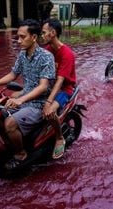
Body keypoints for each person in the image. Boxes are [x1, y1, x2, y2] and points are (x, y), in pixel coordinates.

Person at [0, 19, 55, 169]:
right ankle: (12, 144)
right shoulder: (22, 54)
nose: (18, 41)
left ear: (34, 37)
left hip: (39, 103)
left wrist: (21, 99)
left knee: (9, 124)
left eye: (22, 37)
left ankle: (21, 153)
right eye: (18, 37)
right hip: (23, 98)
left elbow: (43, 86)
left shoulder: (46, 57)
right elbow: (12, 75)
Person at [41, 18, 76, 159]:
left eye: (44, 33)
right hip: (50, 86)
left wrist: (49, 102)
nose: (42, 36)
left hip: (64, 89)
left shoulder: (67, 54)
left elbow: (60, 81)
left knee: (49, 112)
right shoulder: (48, 50)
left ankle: (59, 137)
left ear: (53, 33)